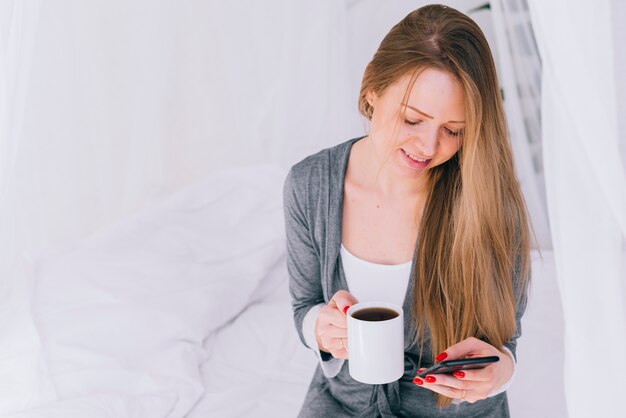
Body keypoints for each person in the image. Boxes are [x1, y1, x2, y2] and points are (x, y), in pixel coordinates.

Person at [283, 4, 531, 417]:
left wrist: (500, 370)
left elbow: (507, 347)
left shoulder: (490, 202)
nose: (429, 148)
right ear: (372, 91)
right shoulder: (309, 186)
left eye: (453, 131)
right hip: (342, 405)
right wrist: (320, 329)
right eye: (413, 119)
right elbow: (304, 307)